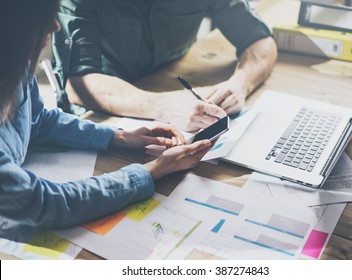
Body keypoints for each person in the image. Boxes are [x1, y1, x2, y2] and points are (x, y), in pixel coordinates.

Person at [0, 0, 213, 229]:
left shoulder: (14, 59)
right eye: (42, 18)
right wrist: (155, 170)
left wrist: (117, 137)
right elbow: (47, 205)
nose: (55, 27)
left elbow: (38, 119)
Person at [53, 0, 278, 131]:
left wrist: (240, 84)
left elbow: (259, 38)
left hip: (174, 80)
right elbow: (78, 84)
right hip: (104, 110)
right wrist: (163, 106)